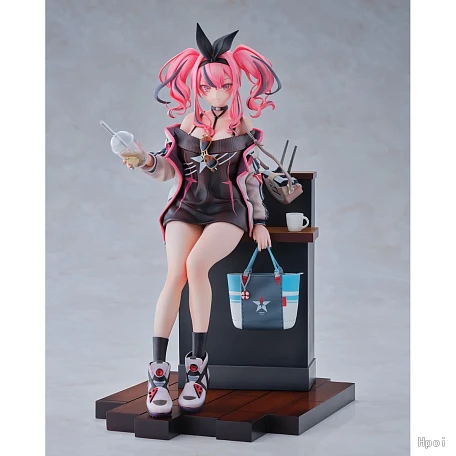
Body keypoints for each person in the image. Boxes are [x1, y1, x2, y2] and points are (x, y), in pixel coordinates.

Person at [123, 23, 281, 417]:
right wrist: (143, 160)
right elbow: (166, 169)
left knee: (196, 265)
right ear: (197, 87)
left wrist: (260, 220)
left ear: (235, 85)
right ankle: (158, 371)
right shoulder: (186, 126)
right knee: (175, 273)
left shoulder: (242, 129)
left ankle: (197, 366)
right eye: (208, 86)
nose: (217, 93)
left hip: (228, 209)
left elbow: (251, 178)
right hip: (187, 207)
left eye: (225, 85)